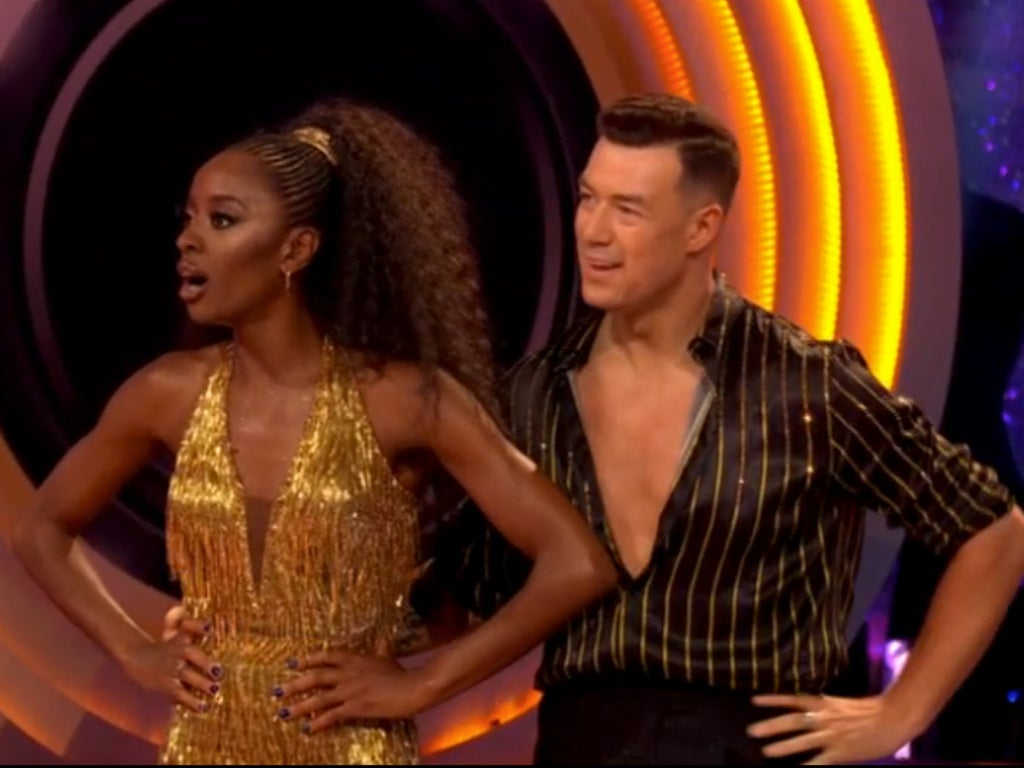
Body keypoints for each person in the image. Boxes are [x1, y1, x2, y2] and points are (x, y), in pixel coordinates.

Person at [11, 97, 617, 765]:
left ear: (296, 249)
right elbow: (42, 529)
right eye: (189, 217)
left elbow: (577, 564)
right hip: (204, 746)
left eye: (222, 219)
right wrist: (133, 651)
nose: (188, 239)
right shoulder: (165, 393)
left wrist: (421, 685)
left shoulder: (405, 400)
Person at [424, 93, 1024, 765]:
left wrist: (900, 712)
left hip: (749, 746)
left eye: (627, 210)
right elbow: (466, 590)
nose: (593, 231)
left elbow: (993, 530)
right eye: (589, 199)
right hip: (580, 744)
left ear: (700, 228)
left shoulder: (808, 385)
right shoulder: (532, 394)